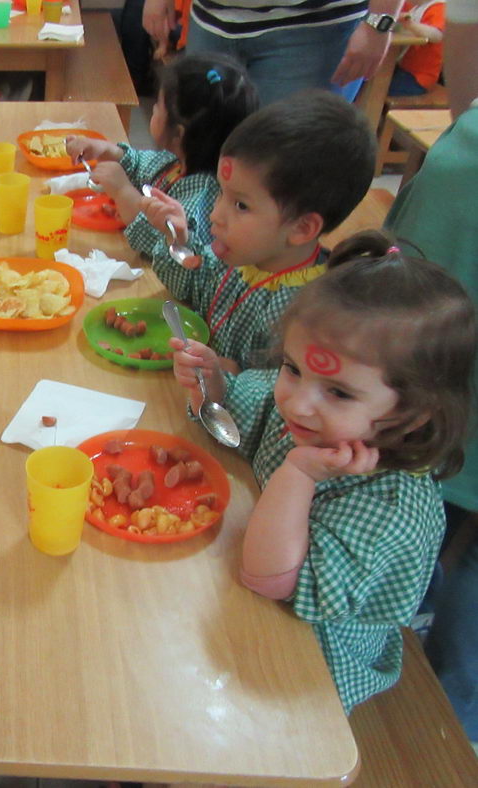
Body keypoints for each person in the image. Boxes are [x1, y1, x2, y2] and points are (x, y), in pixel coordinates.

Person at [170, 232, 477, 713]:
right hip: (236, 603)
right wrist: (213, 386)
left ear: (415, 414)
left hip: (310, 668)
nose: (297, 399)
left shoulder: (391, 511)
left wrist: (300, 475)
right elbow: (237, 419)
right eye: (292, 368)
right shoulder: (312, 415)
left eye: (339, 392)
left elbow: (269, 578)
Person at [384, 0, 478, 743]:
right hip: (460, 199)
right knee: (413, 440)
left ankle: (450, 711)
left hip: (462, 186)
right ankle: (438, 691)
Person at [141, 91, 375, 373]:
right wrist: (178, 240)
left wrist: (234, 377)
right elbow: (192, 287)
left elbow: (286, 395)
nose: (215, 215)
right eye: (221, 194)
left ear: (301, 228)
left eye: (240, 205)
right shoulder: (247, 258)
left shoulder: (306, 315)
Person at [66, 54, 257, 263]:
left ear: (178, 134)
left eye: (157, 106)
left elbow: (163, 246)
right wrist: (108, 151)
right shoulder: (178, 161)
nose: (153, 109)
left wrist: (123, 193)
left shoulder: (201, 195)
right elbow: (145, 165)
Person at [144, 0, 404, 105]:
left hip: (315, 29)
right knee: (199, 156)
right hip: (212, 21)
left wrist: (380, 22)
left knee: (283, 173)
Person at [390, 1, 446, 96]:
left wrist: (411, 25)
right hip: (403, 68)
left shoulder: (439, 7)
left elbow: (437, 35)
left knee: (380, 91)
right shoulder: (416, 7)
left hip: (419, 77)